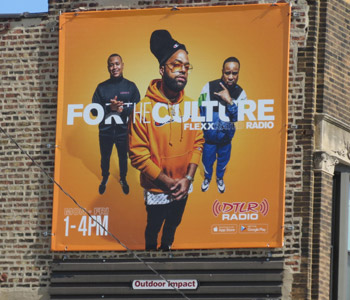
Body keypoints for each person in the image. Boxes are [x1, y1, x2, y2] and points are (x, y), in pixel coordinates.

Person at [129, 30, 204, 251]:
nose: (183, 70)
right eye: (176, 65)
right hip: (157, 189)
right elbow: (137, 155)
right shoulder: (143, 108)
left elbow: (198, 143)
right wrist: (166, 182)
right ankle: (151, 254)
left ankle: (167, 248)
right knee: (154, 225)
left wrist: (188, 179)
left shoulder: (191, 105)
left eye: (186, 66)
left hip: (184, 185)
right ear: (162, 69)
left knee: (173, 223)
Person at [92, 54, 140, 195]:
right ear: (108, 68)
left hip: (123, 131)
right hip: (105, 131)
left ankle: (123, 179)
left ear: (122, 65)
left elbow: (139, 108)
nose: (115, 67)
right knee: (105, 157)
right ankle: (104, 177)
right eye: (111, 65)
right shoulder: (101, 87)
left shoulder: (130, 86)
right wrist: (110, 109)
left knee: (122, 157)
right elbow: (94, 111)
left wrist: (122, 110)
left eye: (117, 64)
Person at [198, 57, 247, 193]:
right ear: (222, 72)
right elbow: (199, 109)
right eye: (227, 73)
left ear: (238, 73)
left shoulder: (241, 93)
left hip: (226, 140)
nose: (231, 77)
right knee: (207, 162)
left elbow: (238, 117)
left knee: (223, 163)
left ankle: (219, 178)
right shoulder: (208, 87)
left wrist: (229, 101)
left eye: (234, 73)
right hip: (209, 139)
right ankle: (207, 178)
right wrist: (205, 129)